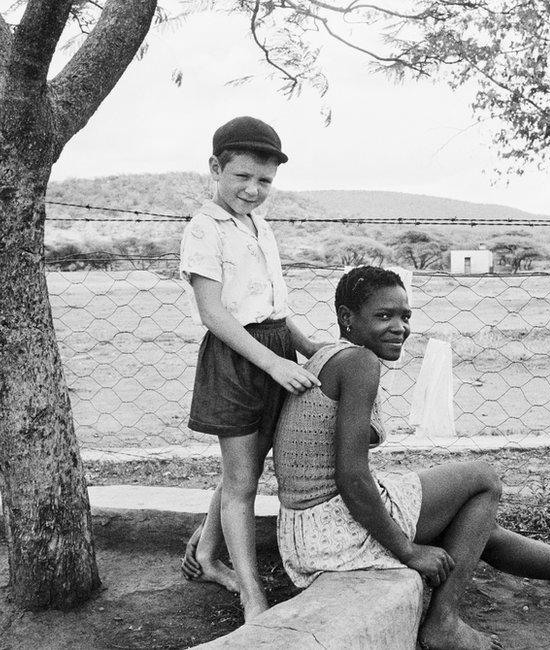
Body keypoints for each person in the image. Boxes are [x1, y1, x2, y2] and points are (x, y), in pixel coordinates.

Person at [273, 266, 550, 650]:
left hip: (306, 530)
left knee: (474, 526)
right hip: (334, 531)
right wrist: (409, 551)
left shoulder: (330, 355)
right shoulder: (358, 363)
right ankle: (443, 623)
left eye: (405, 316)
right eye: (383, 316)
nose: (399, 327)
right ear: (347, 318)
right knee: (483, 480)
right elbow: (352, 477)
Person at [178, 115, 323, 620]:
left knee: (245, 468)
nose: (253, 189)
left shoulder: (259, 226)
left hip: (275, 350)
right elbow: (213, 312)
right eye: (242, 177)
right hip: (240, 360)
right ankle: (251, 595)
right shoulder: (204, 228)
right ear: (216, 168)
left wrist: (311, 348)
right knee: (243, 483)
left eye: (264, 181)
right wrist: (276, 364)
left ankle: (205, 552)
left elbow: (274, 307)